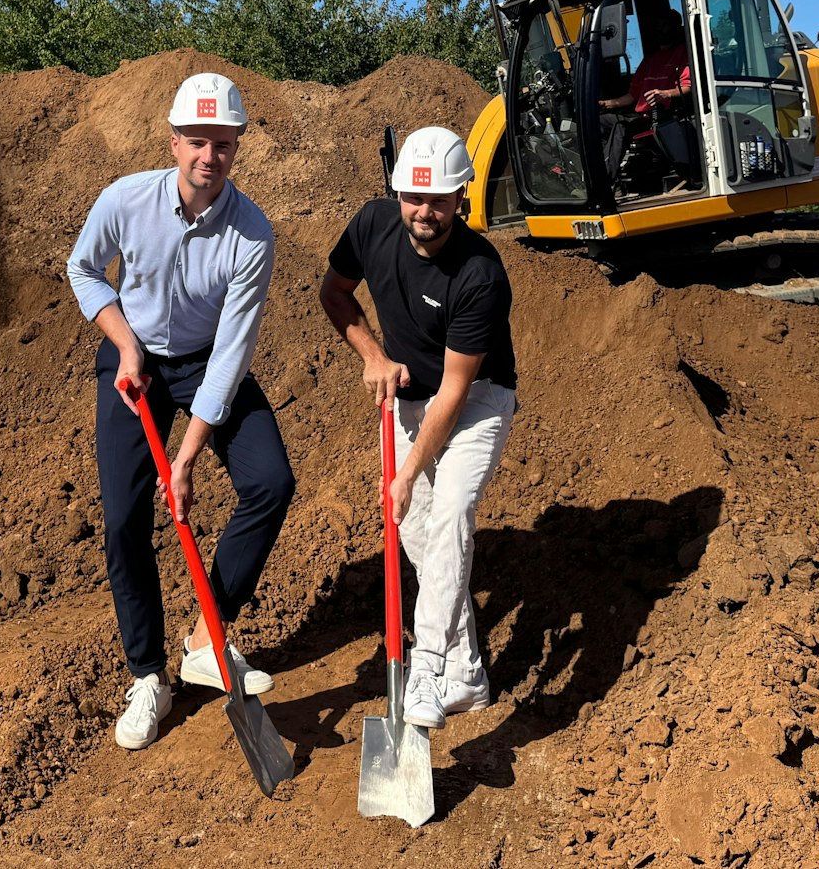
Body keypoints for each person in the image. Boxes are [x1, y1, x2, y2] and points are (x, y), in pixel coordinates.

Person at [66, 71, 297, 751]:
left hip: (204, 362)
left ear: (237, 147)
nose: (209, 156)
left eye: (222, 144)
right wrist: (123, 342)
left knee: (270, 480)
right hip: (132, 357)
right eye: (197, 141)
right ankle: (148, 676)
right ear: (173, 142)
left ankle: (207, 634)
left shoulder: (252, 235)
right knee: (123, 520)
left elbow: (233, 350)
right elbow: (84, 269)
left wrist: (189, 453)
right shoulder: (125, 200)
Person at [318, 126, 519, 729]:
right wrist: (372, 355)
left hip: (478, 401)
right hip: (410, 400)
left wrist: (406, 472)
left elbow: (455, 393)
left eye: (438, 199)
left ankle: (427, 669)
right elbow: (334, 293)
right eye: (413, 196)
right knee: (423, 540)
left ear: (462, 197)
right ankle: (469, 676)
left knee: (452, 511)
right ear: (396, 189)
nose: (423, 211)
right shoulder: (372, 226)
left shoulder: (480, 272)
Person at [599, 5, 692, 118]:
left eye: (665, 25)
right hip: (642, 116)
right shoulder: (649, 60)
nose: (660, 29)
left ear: (675, 27)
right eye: (658, 25)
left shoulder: (682, 54)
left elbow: (687, 87)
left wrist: (666, 94)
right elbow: (633, 95)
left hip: (665, 117)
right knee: (601, 122)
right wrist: (606, 104)